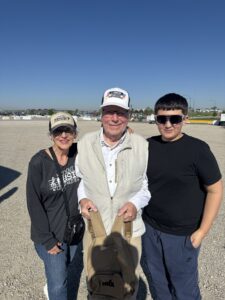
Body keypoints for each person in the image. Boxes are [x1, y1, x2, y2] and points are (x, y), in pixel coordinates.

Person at [142, 93, 223, 300]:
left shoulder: (198, 150)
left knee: (184, 289)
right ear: (155, 119)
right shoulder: (147, 145)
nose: (168, 124)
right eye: (162, 119)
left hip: (182, 235)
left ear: (185, 119)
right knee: (158, 284)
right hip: (150, 229)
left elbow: (215, 190)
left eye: (175, 119)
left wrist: (202, 232)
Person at [77, 87, 151, 299]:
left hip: (129, 232)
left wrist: (136, 203)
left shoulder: (142, 146)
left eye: (120, 112)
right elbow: (82, 180)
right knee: (96, 286)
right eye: (109, 111)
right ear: (101, 115)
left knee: (128, 288)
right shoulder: (84, 144)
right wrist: (82, 199)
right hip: (95, 229)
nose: (114, 118)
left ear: (129, 116)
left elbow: (145, 186)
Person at [26, 112, 82, 300]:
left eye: (68, 130)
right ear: (51, 134)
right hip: (50, 236)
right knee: (59, 285)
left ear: (75, 133)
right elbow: (34, 203)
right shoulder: (38, 162)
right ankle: (52, 289)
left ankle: (50, 284)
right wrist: (48, 240)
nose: (64, 135)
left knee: (65, 267)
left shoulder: (79, 153)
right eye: (58, 131)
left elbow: (104, 142)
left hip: (73, 230)